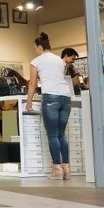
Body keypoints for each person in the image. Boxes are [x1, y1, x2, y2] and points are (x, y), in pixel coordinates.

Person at [26, 32, 71, 180]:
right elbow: (59, 78)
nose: (35, 50)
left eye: (35, 47)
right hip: (66, 97)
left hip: (51, 97)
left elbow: (32, 83)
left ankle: (57, 171)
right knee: (61, 134)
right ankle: (66, 169)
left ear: (39, 47)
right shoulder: (59, 60)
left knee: (52, 135)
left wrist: (29, 101)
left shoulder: (36, 61)